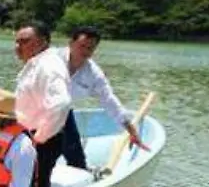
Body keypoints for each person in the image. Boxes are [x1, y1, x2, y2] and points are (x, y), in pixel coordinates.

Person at [57, 26, 144, 170]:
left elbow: (109, 101)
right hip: (35, 109)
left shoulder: (94, 74)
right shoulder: (51, 58)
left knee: (77, 160)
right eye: (82, 46)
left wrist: (131, 130)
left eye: (90, 48)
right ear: (71, 43)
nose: (85, 52)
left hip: (63, 112)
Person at [11, 21, 71, 187]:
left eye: (24, 41)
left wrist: (40, 137)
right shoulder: (35, 63)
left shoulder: (49, 65)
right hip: (29, 136)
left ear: (42, 42)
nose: (17, 46)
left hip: (42, 140)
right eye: (17, 41)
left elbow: (61, 103)